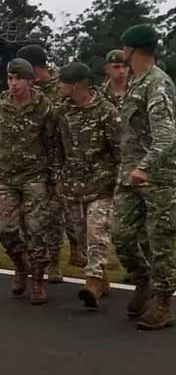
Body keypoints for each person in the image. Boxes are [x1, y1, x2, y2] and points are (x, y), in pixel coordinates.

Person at [112, 24, 176, 331]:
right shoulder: (136, 82)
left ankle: (164, 303)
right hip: (129, 176)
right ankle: (143, 281)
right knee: (121, 236)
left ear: (131, 50)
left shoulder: (157, 83)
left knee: (160, 241)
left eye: (124, 48)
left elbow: (166, 134)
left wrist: (146, 166)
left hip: (157, 178)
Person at [0, 58, 56, 304]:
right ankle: (20, 265)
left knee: (37, 230)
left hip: (35, 176)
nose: (13, 84)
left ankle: (37, 280)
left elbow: (52, 145)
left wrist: (54, 180)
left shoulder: (44, 106)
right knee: (1, 227)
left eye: (18, 79)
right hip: (5, 176)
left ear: (29, 80)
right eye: (10, 78)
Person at [54, 62, 121, 309]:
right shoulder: (62, 113)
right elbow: (58, 150)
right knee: (80, 236)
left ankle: (92, 282)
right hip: (73, 186)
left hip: (102, 183)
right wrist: (58, 178)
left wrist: (119, 181)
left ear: (76, 85)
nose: (59, 86)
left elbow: (119, 149)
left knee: (97, 232)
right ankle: (101, 279)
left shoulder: (106, 111)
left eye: (62, 82)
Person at [16, 44, 81, 283]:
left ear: (35, 68)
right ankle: (34, 260)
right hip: (32, 164)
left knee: (55, 215)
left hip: (61, 160)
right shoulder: (25, 90)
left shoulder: (62, 87)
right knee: (30, 216)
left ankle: (55, 261)